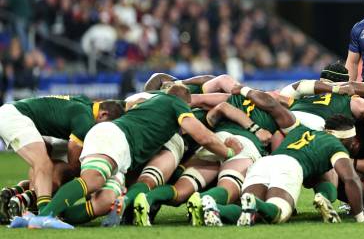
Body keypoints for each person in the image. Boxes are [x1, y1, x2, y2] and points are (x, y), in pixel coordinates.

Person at [16, 85, 241, 229]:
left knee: (106, 201)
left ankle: (47, 217)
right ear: (186, 102)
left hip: (122, 153)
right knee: (94, 179)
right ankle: (45, 215)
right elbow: (204, 137)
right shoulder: (175, 104)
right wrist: (228, 152)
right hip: (115, 137)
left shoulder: (150, 102)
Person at [190, 115, 364, 226]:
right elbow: (350, 178)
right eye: (352, 140)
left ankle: (213, 208)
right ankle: (255, 203)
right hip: (289, 167)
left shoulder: (300, 129)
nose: (353, 144)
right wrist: (360, 217)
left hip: (265, 163)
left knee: (252, 214)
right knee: (280, 213)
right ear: (345, 138)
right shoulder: (336, 146)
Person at [0, 95, 124, 223]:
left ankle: (16, 195)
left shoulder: (85, 104)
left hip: (16, 114)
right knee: (45, 164)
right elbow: (74, 160)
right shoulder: (85, 121)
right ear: (103, 114)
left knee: (50, 167)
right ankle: (44, 215)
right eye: (107, 127)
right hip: (15, 118)